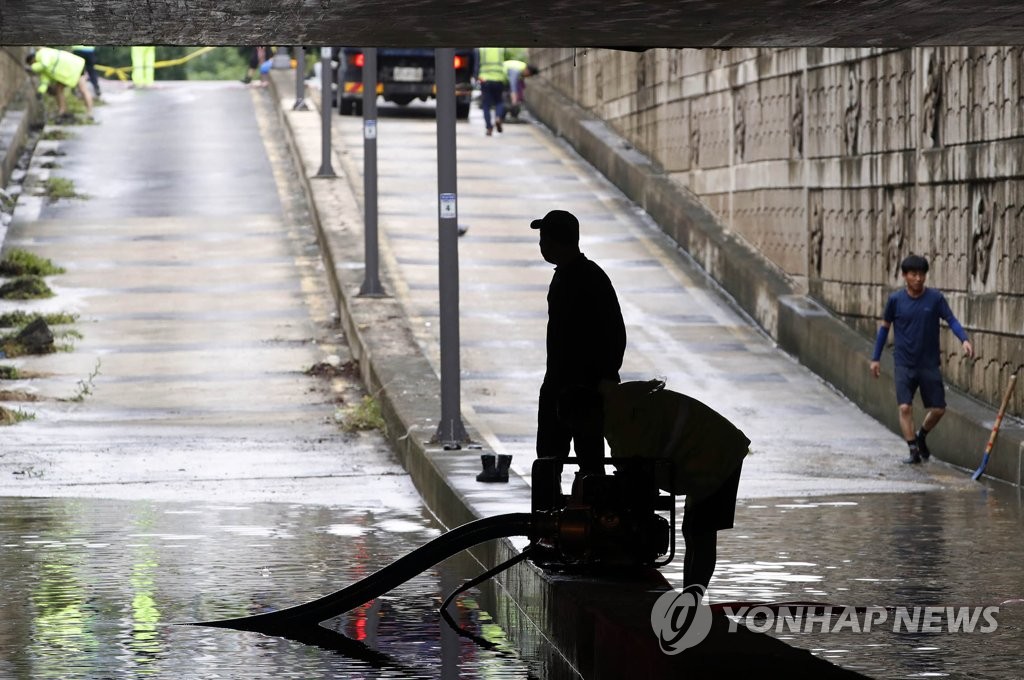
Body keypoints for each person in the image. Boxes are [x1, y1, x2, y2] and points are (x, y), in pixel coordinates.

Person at [601, 379, 750, 593]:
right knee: (693, 531)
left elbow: (640, 477)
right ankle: (691, 599)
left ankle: (692, 601)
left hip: (718, 453)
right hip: (705, 450)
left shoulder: (626, 423)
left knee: (700, 531)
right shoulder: (619, 406)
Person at [532, 209, 626, 475]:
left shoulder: (590, 278)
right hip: (559, 385)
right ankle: (557, 512)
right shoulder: (566, 276)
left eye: (543, 240)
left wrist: (607, 376)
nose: (541, 246)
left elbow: (614, 331)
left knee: (588, 461)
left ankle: (586, 511)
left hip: (585, 389)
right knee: (552, 460)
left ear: (553, 242)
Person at [870, 254, 974, 464]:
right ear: (904, 276)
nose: (918, 278)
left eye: (922, 274)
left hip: (928, 363)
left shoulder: (935, 299)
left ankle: (921, 436)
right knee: (905, 407)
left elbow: (951, 319)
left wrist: (963, 339)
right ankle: (913, 450)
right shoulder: (896, 300)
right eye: (913, 274)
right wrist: (875, 358)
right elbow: (884, 329)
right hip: (904, 363)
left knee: (938, 409)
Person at [25, 47, 94, 119]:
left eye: (32, 64)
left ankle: (90, 112)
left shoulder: (43, 54)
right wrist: (40, 92)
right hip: (66, 72)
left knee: (83, 90)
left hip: (75, 67)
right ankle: (62, 111)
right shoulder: (41, 66)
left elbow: (45, 64)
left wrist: (32, 68)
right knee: (58, 90)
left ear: (32, 60)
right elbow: (44, 81)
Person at [474, 47, 507, 136]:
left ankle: (489, 128)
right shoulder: (501, 48)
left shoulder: (481, 49)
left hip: (485, 79)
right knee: (499, 102)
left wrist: (476, 77)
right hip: (499, 79)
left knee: (486, 105)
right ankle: (498, 118)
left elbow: (476, 65)